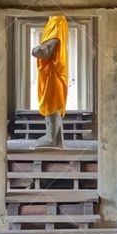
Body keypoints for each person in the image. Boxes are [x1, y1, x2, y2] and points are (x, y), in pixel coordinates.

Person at [31, 14, 69, 147]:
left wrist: (35, 50)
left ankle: (51, 139)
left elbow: (47, 50)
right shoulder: (62, 21)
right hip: (56, 72)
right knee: (55, 104)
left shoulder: (56, 21)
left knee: (51, 103)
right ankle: (57, 140)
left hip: (52, 73)